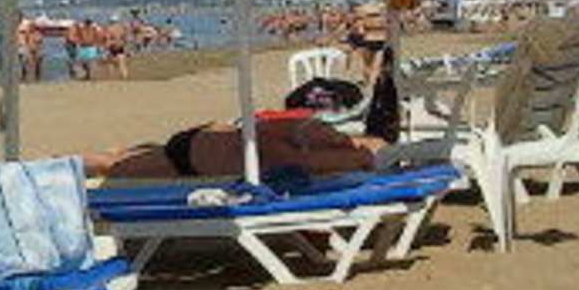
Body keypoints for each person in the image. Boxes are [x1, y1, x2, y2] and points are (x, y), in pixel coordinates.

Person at [82, 115, 391, 181]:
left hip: (203, 143)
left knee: (120, 158)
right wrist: (359, 159)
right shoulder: (294, 141)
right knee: (112, 167)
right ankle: (65, 165)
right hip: (189, 157)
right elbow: (299, 163)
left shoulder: (309, 130)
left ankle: (77, 160)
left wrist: (357, 155)